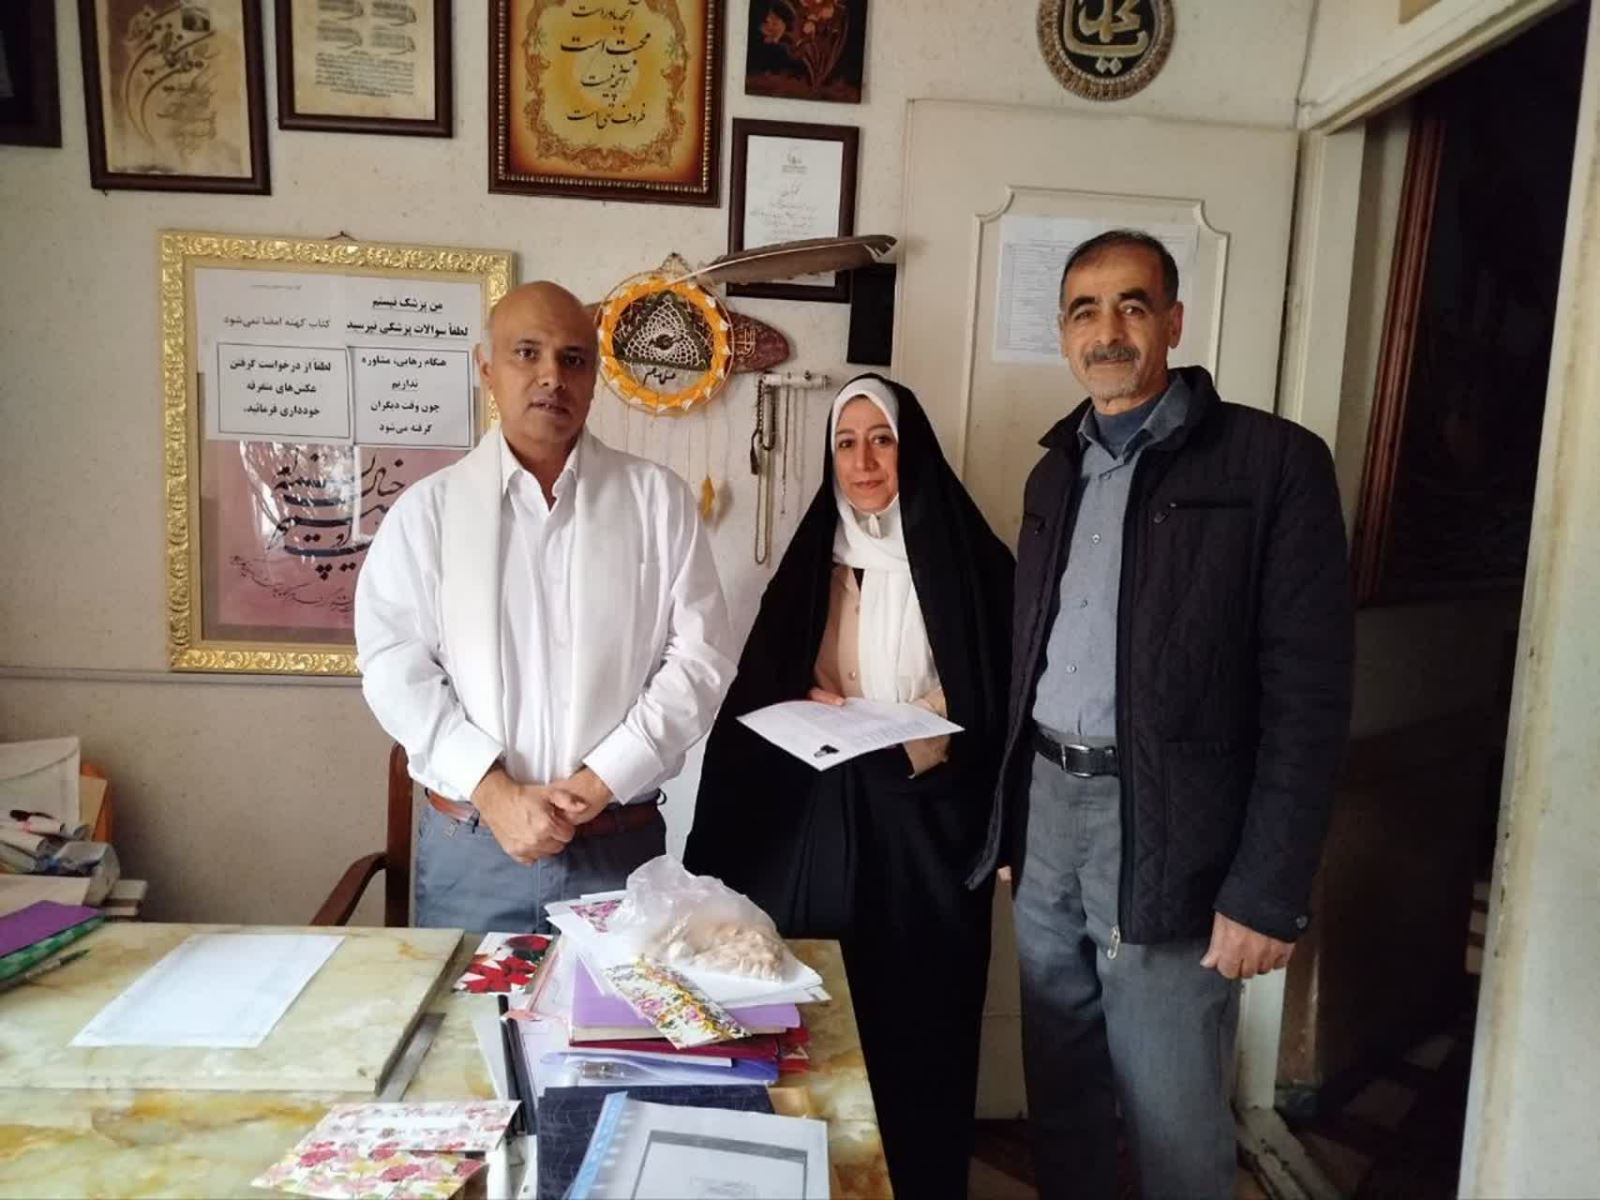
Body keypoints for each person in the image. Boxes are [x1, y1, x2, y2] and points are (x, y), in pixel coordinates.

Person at [969, 231, 1354, 1199]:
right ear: (1063, 333)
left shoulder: (1273, 464)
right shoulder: (1053, 472)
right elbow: (1030, 659)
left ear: (1174, 322)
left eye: (1132, 306)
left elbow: (1310, 694)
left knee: (1172, 1111)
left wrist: (1268, 888)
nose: (1108, 331)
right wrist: (1013, 822)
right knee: (1061, 1089)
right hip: (1050, 813)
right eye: (1085, 311)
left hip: (1175, 828)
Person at [686, 375, 1014, 1199]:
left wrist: (917, 728)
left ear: (911, 449)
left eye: (881, 440)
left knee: (919, 1016)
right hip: (826, 823)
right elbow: (766, 687)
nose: (864, 462)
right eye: (846, 443)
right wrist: (808, 700)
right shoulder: (815, 562)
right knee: (821, 1010)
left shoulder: (970, 563)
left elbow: (997, 689)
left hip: (927, 829)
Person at [354, 281, 735, 932]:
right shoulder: (427, 514)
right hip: (472, 846)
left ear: (595, 378)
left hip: (617, 843)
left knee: (616, 1004)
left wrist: (604, 778)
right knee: (464, 1003)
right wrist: (493, 791)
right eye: (526, 353)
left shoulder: (657, 502)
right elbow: (393, 667)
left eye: (573, 359)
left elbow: (701, 659)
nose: (551, 376)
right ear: (487, 369)